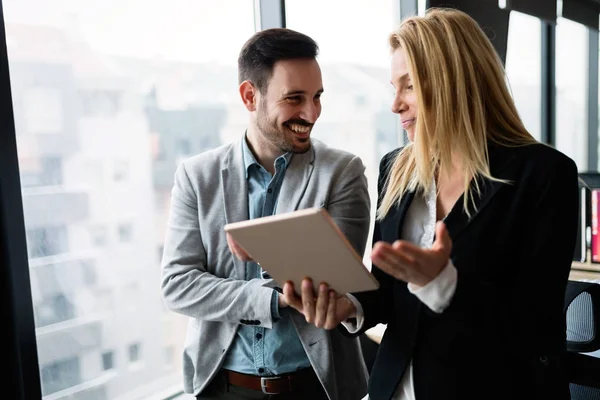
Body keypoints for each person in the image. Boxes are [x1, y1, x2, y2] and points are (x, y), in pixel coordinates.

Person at [281, 8, 579, 400]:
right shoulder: (396, 168)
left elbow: (536, 325)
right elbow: (388, 292)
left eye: (409, 86)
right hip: (394, 389)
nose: (395, 105)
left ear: (455, 81)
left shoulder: (544, 173)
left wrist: (443, 284)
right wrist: (348, 306)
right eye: (394, 87)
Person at [160, 28, 370, 400]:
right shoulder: (197, 176)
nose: (311, 113)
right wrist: (272, 299)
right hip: (224, 387)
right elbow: (178, 286)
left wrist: (266, 255)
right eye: (294, 98)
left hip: (315, 387)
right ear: (249, 96)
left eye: (317, 97)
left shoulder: (343, 173)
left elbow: (337, 284)